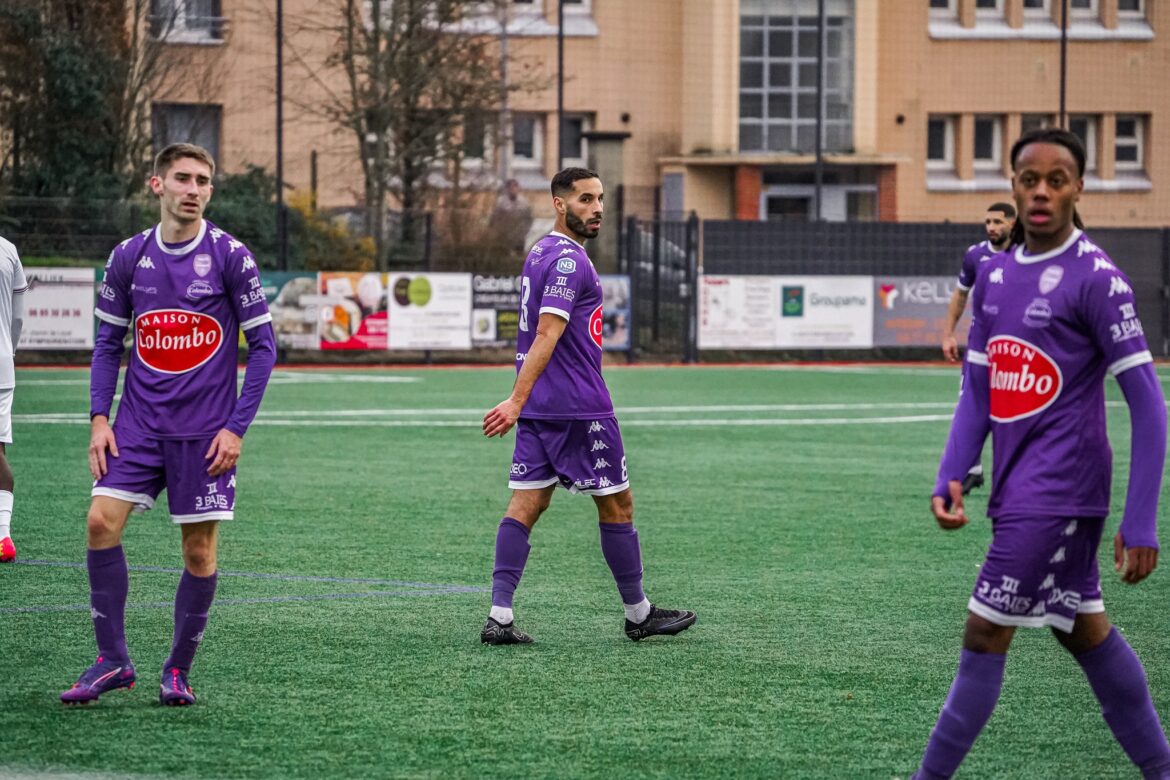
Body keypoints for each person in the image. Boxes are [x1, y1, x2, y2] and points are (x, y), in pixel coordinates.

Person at [913, 128, 1170, 779]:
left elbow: (1149, 405)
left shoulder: (1099, 280)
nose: (1042, 192)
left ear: (1078, 188)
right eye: (1030, 179)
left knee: (983, 633)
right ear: (1014, 185)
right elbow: (978, 388)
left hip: (1061, 491)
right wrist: (952, 471)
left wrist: (1141, 520)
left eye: (1057, 180)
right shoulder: (994, 276)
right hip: (1016, 487)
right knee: (1082, 630)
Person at [60, 143, 277, 706]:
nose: (193, 190)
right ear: (157, 184)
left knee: (199, 553)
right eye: (182, 178)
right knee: (99, 522)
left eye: (203, 181)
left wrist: (235, 429)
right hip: (136, 425)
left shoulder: (231, 256)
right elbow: (107, 345)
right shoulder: (129, 256)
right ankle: (113, 661)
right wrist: (100, 419)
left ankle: (177, 670)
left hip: (204, 435)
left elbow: (264, 348)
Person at [480, 167, 696, 645]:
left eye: (599, 199)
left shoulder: (540, 250)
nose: (596, 208)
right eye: (584, 199)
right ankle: (638, 614)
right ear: (559, 204)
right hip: (578, 407)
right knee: (618, 504)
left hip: (541, 407)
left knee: (528, 503)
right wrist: (514, 400)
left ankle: (500, 616)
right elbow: (547, 334)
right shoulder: (568, 262)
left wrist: (523, 401)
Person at [940, 203, 1016, 495]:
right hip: (979, 345)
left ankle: (1016, 473)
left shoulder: (1025, 254)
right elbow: (960, 295)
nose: (991, 227)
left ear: (1012, 223)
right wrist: (948, 334)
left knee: (1012, 408)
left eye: (997, 221)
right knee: (968, 403)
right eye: (988, 222)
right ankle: (971, 469)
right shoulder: (975, 255)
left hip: (1013, 344)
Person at [0, 235, 27, 562]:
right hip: (2, 365)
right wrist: (9, 352)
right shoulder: (7, 249)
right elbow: (17, 318)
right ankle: (2, 534)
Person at [491, 178, 534, 255]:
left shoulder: (524, 202)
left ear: (518, 188)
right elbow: (494, 218)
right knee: (503, 255)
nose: (513, 190)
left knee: (519, 256)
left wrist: (524, 231)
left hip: (519, 236)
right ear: (507, 189)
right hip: (504, 236)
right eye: (510, 187)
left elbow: (529, 218)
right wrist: (499, 232)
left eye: (515, 187)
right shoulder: (501, 202)